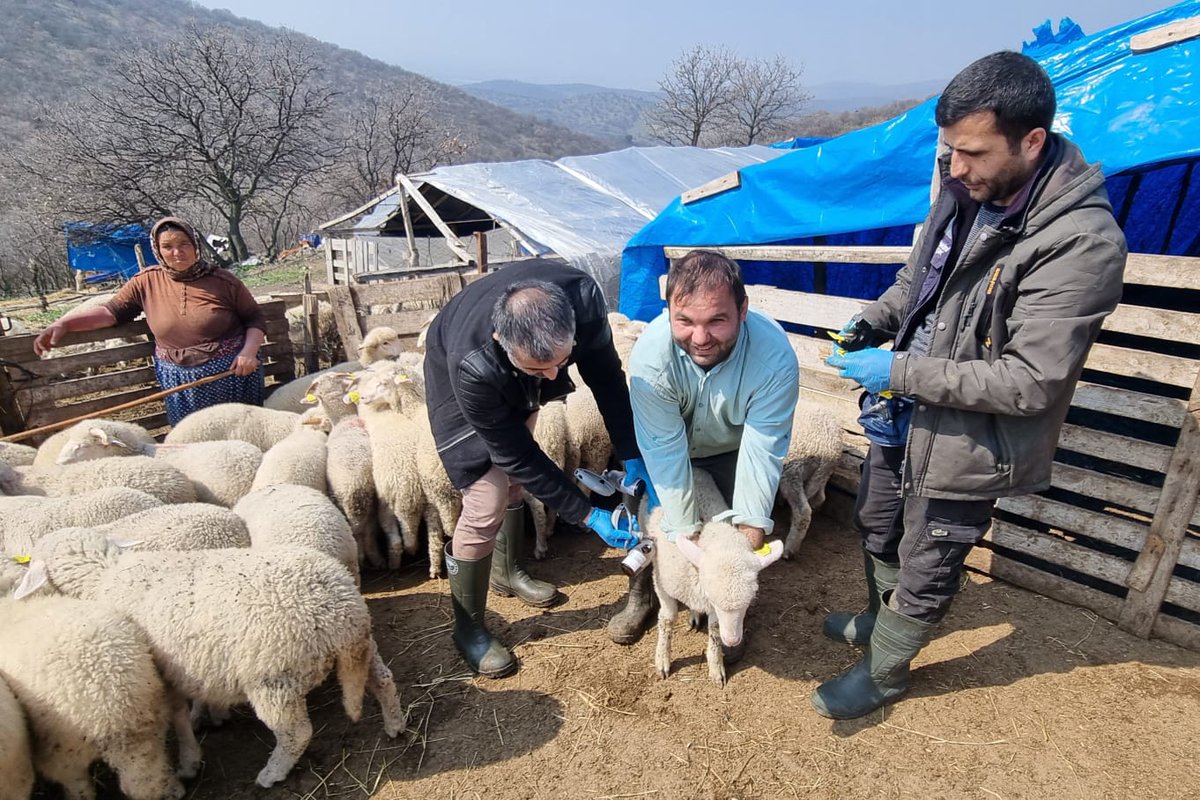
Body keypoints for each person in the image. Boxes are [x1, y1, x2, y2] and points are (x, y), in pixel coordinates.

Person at [813, 51, 1128, 720]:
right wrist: (874, 322)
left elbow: (1029, 380)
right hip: (903, 409)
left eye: (973, 152)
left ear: (1031, 141)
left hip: (970, 435)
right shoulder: (963, 191)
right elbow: (917, 284)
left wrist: (896, 369)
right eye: (950, 149)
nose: (955, 167)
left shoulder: (1081, 244)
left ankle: (887, 672)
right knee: (877, 519)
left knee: (932, 551)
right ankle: (879, 621)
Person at [422, 258, 649, 679]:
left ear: (571, 330)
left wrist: (631, 451)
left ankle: (508, 572)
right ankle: (468, 628)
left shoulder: (582, 299)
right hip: (458, 362)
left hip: (514, 359)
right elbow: (514, 453)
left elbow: (606, 379)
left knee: (513, 484)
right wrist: (586, 513)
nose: (552, 377)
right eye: (537, 369)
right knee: (486, 497)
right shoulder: (473, 363)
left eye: (560, 364)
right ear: (500, 340)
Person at [614, 249, 799, 655]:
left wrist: (750, 527)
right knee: (658, 523)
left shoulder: (774, 358)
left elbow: (763, 446)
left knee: (733, 534)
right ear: (668, 313)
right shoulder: (650, 359)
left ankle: (725, 613)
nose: (700, 337)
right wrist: (683, 530)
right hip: (665, 445)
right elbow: (665, 450)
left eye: (717, 319)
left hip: (733, 448)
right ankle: (643, 595)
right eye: (685, 321)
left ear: (743, 309)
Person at [33, 217, 266, 426]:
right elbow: (111, 313)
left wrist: (248, 353)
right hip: (179, 380)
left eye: (184, 244)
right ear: (157, 250)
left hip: (230, 374)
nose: (177, 252)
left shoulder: (223, 281)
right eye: (168, 247)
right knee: (192, 441)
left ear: (195, 246)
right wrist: (65, 324)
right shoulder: (146, 282)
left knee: (239, 433)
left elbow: (254, 319)